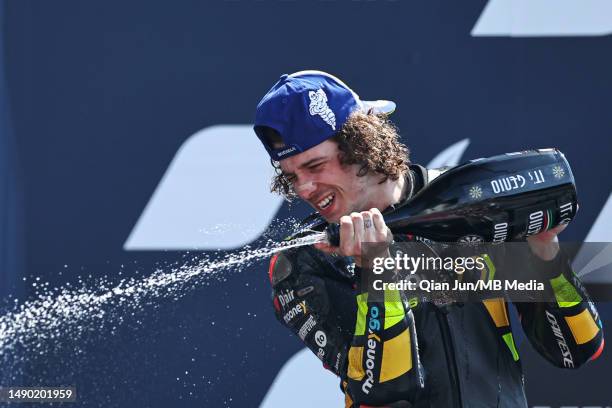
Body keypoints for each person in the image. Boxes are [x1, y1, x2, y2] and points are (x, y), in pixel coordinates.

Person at [253, 70, 604, 407]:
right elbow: (384, 388)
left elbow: (577, 349)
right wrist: (378, 274)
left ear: (358, 144)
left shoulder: (472, 204)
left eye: (314, 167)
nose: (303, 188)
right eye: (292, 176)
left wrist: (545, 252)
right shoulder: (305, 259)